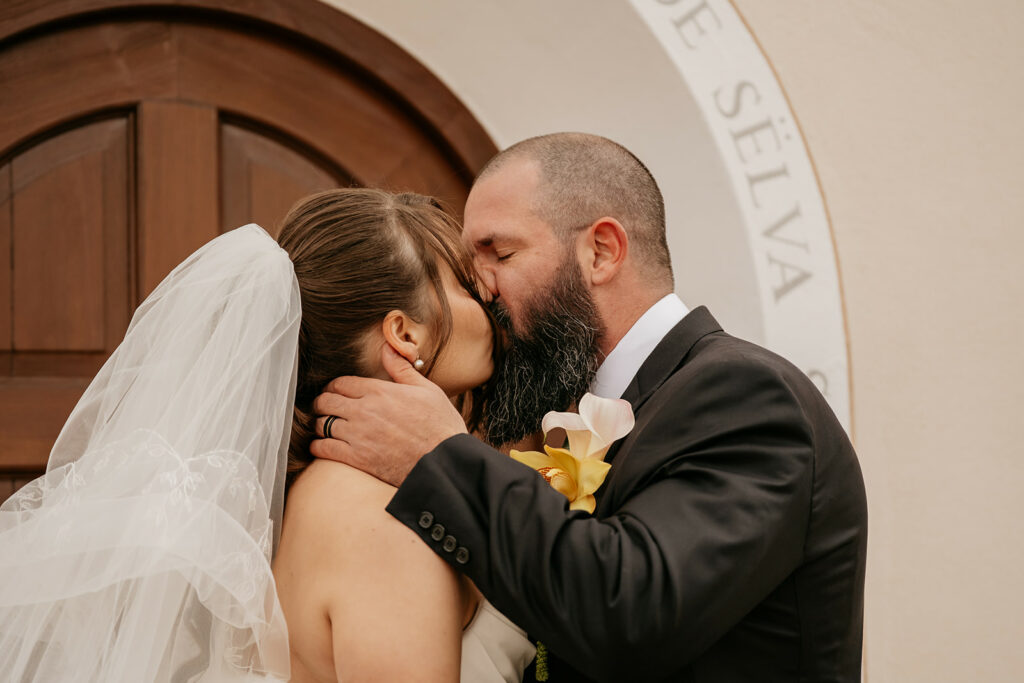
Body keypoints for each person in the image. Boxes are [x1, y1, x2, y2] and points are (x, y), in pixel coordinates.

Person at [311, 133, 869, 682]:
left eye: (500, 254)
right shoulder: (587, 412)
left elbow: (631, 612)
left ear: (601, 252)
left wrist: (439, 456)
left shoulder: (746, 396)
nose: (482, 289)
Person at [0, 189, 535, 682]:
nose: (489, 297)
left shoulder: (299, 491)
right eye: (465, 285)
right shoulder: (382, 521)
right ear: (403, 333)